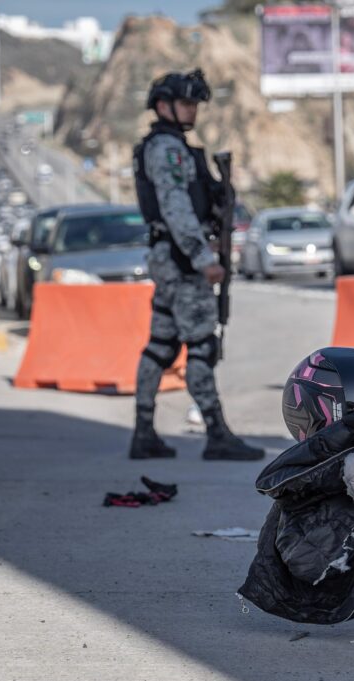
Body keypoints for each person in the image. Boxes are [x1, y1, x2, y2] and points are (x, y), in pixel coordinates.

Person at [130, 69, 264, 462]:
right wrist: (204, 259)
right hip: (182, 261)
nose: (193, 111)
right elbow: (176, 208)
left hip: (171, 258)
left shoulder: (169, 146)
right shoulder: (168, 150)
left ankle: (143, 432)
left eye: (194, 103)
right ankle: (217, 433)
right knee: (202, 346)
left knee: (161, 346)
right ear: (163, 106)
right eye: (186, 103)